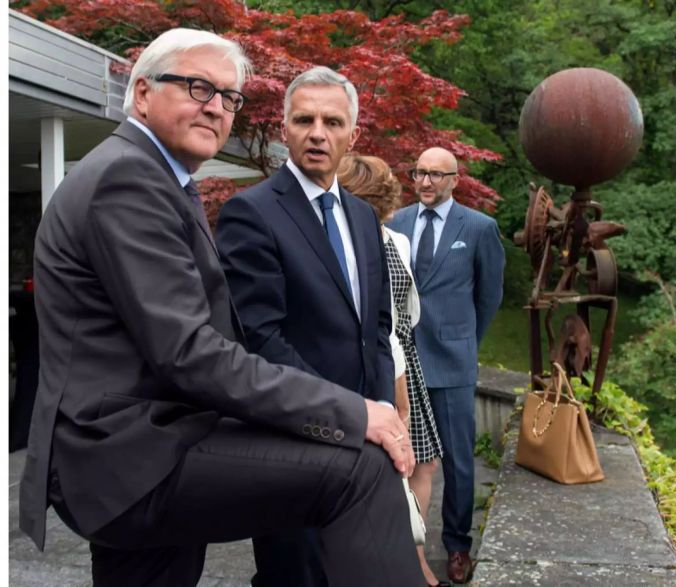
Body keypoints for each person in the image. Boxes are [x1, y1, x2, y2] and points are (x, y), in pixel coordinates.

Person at [18, 28, 420, 587]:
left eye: (229, 97)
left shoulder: (158, 178)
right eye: (197, 87)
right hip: (131, 455)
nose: (217, 107)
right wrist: (351, 413)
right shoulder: (127, 179)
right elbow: (193, 352)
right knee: (361, 469)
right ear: (140, 93)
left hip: (145, 447)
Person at [215, 67, 397, 587]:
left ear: (352, 136)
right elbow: (261, 339)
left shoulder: (363, 217)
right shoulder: (250, 213)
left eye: (332, 121)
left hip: (367, 438)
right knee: (295, 574)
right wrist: (349, 414)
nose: (318, 132)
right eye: (305, 119)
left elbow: (377, 328)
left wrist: (381, 410)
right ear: (284, 129)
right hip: (297, 440)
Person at [387, 147, 505, 584]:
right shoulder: (395, 222)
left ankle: (457, 545)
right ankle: (405, 543)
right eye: (419, 173)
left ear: (456, 179)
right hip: (403, 362)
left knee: (458, 460)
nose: (426, 182)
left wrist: (465, 339)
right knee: (405, 458)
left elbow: (489, 297)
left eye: (437, 175)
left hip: (453, 360)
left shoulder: (479, 228)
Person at [337, 154, 447, 586]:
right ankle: (407, 563)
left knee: (425, 462)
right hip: (388, 369)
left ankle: (414, 552)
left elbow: (406, 311)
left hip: (408, 361)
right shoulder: (354, 246)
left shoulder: (395, 241)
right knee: (399, 466)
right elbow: (379, 324)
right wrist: (397, 391)